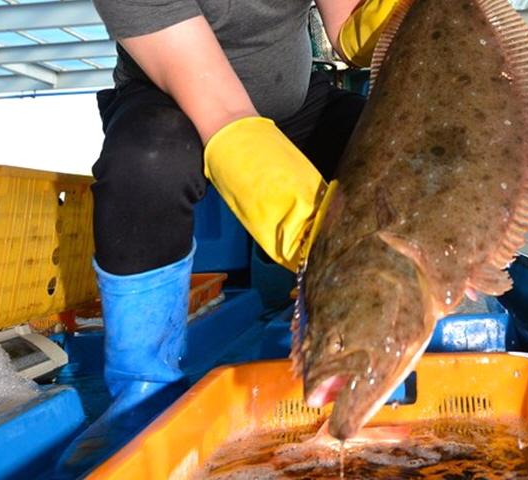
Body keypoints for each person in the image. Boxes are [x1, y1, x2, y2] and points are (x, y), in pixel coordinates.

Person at [56, 0, 402, 474]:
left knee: (389, 145)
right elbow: (220, 106)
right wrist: (317, 237)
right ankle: (144, 392)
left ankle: (373, 347)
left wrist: (397, 17)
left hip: (297, 105)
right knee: (147, 160)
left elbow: (346, 23)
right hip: (170, 97)